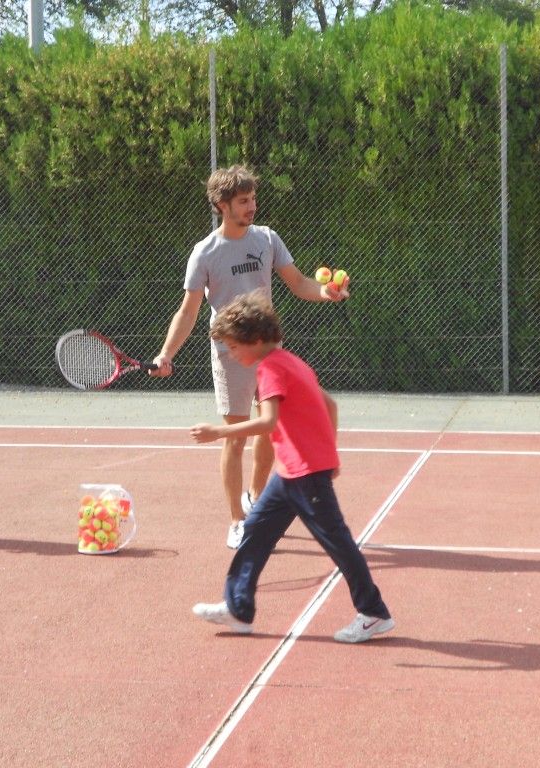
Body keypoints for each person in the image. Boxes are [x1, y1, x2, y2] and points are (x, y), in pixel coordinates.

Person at [150, 165, 349, 548]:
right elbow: (188, 311)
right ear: (222, 205)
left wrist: (327, 293)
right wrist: (166, 354)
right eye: (243, 201)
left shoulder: (267, 239)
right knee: (236, 437)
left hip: (268, 352)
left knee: (270, 431)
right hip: (230, 354)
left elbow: (299, 282)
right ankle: (237, 519)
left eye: (253, 198)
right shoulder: (204, 253)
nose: (252, 206)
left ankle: (256, 501)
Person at [188, 291, 394, 644]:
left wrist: (218, 431)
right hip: (289, 472)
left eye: (234, 347)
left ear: (254, 340)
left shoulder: (269, 370)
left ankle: (373, 612)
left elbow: (267, 423)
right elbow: (330, 405)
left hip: (304, 473)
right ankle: (238, 607)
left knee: (338, 542)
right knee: (255, 531)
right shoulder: (291, 360)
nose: (231, 355)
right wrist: (331, 454)